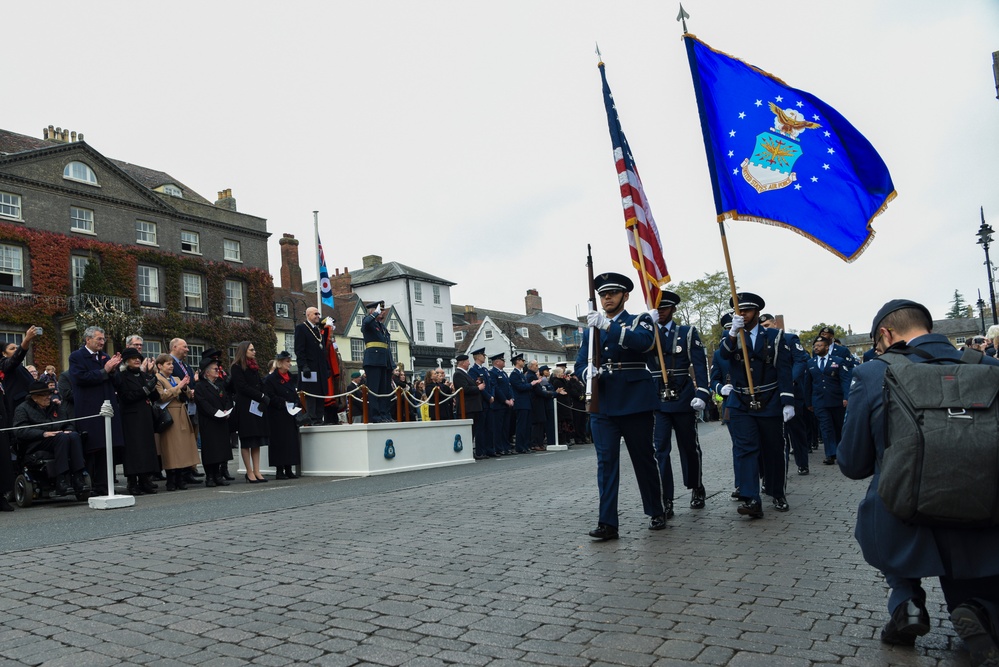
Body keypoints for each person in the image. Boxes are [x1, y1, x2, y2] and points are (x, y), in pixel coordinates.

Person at [838, 299, 999, 663]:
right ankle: (980, 608)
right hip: (982, 513)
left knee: (884, 492)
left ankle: (906, 602)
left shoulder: (873, 373)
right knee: (980, 559)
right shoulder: (989, 366)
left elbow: (852, 463)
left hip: (903, 517)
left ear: (884, 334)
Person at [574, 272, 665, 539]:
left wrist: (607, 326)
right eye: (603, 294)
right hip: (603, 403)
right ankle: (607, 522)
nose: (607, 298)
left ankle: (655, 510)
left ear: (625, 296)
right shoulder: (591, 329)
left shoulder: (641, 320)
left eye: (612, 293)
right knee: (606, 463)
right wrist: (586, 372)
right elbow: (580, 362)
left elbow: (643, 343)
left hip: (635, 400)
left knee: (643, 458)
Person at [719, 292, 794, 518]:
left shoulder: (774, 336)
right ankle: (752, 498)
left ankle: (776, 491)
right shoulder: (730, 335)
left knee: (773, 449)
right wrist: (732, 333)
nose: (742, 314)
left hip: (769, 399)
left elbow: (784, 370)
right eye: (738, 311)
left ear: (757, 313)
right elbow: (723, 357)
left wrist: (787, 401)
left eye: (747, 310)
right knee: (746, 449)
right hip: (741, 402)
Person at [647, 290, 711, 518]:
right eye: (656, 308)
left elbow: (700, 365)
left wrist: (702, 393)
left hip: (683, 397)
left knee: (689, 447)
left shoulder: (686, 333)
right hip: (657, 399)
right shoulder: (647, 334)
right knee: (660, 451)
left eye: (664, 308)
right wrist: (645, 327)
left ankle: (696, 486)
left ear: (673, 309)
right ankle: (666, 498)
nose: (660, 312)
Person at [69, 325, 124, 496]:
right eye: (99, 339)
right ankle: (89, 485)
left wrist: (114, 370)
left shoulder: (105, 357)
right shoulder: (77, 357)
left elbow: (117, 383)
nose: (102, 342)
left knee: (108, 448)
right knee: (93, 447)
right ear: (88, 339)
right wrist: (105, 370)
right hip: (90, 409)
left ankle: (105, 485)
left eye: (103, 339)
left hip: (108, 408)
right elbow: (80, 378)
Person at [12, 379, 89, 497]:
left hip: (57, 437)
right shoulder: (22, 409)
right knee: (61, 437)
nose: (48, 397)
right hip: (36, 442)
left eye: (49, 394)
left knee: (73, 435)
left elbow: (67, 422)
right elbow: (20, 430)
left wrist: (69, 429)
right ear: (34, 397)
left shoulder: (55, 406)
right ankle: (61, 479)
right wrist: (43, 433)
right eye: (44, 395)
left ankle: (78, 477)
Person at [761, 313, 811, 476]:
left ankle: (802, 463)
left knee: (796, 430)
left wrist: (789, 381)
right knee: (777, 435)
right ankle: (779, 470)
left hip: (792, 391)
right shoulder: (760, 343)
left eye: (767, 325)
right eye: (761, 326)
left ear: (775, 324)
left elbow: (800, 361)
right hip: (771, 394)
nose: (764, 329)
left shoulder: (790, 339)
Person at [112, 348, 160, 495]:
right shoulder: (122, 376)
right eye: (133, 358)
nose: (137, 360)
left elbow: (155, 396)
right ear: (126, 361)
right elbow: (126, 396)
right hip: (130, 417)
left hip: (145, 416)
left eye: (138, 358)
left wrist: (152, 385)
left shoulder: (144, 375)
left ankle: (145, 479)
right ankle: (132, 482)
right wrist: (145, 390)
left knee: (146, 447)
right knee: (133, 450)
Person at [804, 334, 852, 466]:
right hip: (820, 401)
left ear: (827, 347)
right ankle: (830, 454)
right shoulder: (810, 363)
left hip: (837, 401)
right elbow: (807, 384)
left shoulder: (838, 361)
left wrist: (846, 397)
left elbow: (845, 380)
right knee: (826, 428)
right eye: (815, 346)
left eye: (819, 346)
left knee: (839, 427)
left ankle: (842, 452)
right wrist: (808, 402)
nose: (816, 348)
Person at [153, 354, 199, 491]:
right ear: (160, 366)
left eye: (172, 363)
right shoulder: (157, 379)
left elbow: (189, 395)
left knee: (182, 448)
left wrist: (186, 388)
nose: (171, 366)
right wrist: (179, 386)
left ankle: (180, 478)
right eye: (168, 364)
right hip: (169, 415)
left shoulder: (176, 378)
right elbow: (161, 396)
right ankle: (171, 479)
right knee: (170, 448)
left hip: (181, 413)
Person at [230, 341, 270, 483]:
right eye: (252, 350)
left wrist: (265, 395)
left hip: (256, 407)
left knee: (256, 440)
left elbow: (261, 383)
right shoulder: (236, 367)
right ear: (244, 351)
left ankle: (257, 470)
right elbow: (242, 387)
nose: (254, 352)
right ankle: (249, 471)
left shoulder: (254, 367)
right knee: (247, 440)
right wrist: (260, 396)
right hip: (245, 406)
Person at [194, 357, 234, 487]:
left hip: (222, 420)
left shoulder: (220, 384)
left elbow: (227, 398)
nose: (218, 371)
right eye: (215, 369)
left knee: (221, 449)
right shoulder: (200, 386)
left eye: (218, 369)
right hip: (209, 422)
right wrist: (216, 413)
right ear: (207, 372)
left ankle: (218, 475)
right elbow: (202, 403)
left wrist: (227, 410)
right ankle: (210, 476)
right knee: (211, 449)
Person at [263, 351, 302, 479]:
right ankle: (279, 470)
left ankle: (289, 468)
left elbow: (294, 393)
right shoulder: (271, 379)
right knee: (279, 442)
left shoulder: (290, 377)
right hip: (277, 414)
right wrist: (283, 403)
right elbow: (270, 396)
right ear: (280, 363)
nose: (290, 364)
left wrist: (296, 402)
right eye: (287, 362)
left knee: (290, 442)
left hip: (289, 414)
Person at [294, 307, 331, 425]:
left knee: (320, 393)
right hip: (309, 368)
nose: (318, 316)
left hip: (320, 368)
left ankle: (320, 418)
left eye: (319, 314)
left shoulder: (317, 330)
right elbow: (299, 350)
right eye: (315, 314)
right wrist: (303, 366)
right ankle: (312, 419)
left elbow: (322, 352)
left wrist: (326, 367)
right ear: (308, 315)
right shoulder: (301, 328)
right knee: (311, 394)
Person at [361, 301, 394, 422]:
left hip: (384, 361)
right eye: (380, 310)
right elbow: (365, 322)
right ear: (372, 311)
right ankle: (375, 415)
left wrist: (391, 363)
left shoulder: (382, 327)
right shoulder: (368, 323)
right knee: (374, 390)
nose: (383, 313)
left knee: (384, 390)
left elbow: (386, 345)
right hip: (373, 360)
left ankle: (384, 414)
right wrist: (375, 313)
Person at [451, 354, 485, 458]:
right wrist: (478, 388)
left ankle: (471, 451)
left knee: (474, 430)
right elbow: (464, 389)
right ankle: (468, 452)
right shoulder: (458, 374)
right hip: (468, 406)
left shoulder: (465, 374)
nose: (469, 363)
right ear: (462, 362)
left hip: (473, 406)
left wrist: (476, 383)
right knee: (469, 431)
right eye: (467, 361)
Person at [468, 348, 494, 456]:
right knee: (481, 428)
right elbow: (479, 386)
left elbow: (491, 384)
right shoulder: (473, 371)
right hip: (482, 402)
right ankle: (480, 451)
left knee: (489, 427)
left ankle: (489, 449)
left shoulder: (485, 370)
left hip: (489, 402)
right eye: (483, 355)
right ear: (478, 356)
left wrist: (492, 395)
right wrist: (488, 397)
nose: (484, 357)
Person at [509, 354, 535, 453]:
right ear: (517, 361)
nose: (523, 362)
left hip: (526, 402)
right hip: (521, 403)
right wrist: (531, 384)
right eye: (522, 360)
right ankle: (520, 446)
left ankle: (526, 445)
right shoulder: (514, 374)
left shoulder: (520, 374)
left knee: (527, 425)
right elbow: (520, 387)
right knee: (521, 425)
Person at [489, 353, 514, 456]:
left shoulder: (503, 373)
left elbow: (509, 387)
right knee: (498, 428)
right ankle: (499, 448)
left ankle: (506, 446)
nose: (504, 362)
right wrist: (505, 400)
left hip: (507, 404)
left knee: (506, 427)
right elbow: (497, 389)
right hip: (499, 405)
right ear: (497, 362)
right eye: (502, 360)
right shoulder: (493, 373)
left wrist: (512, 398)